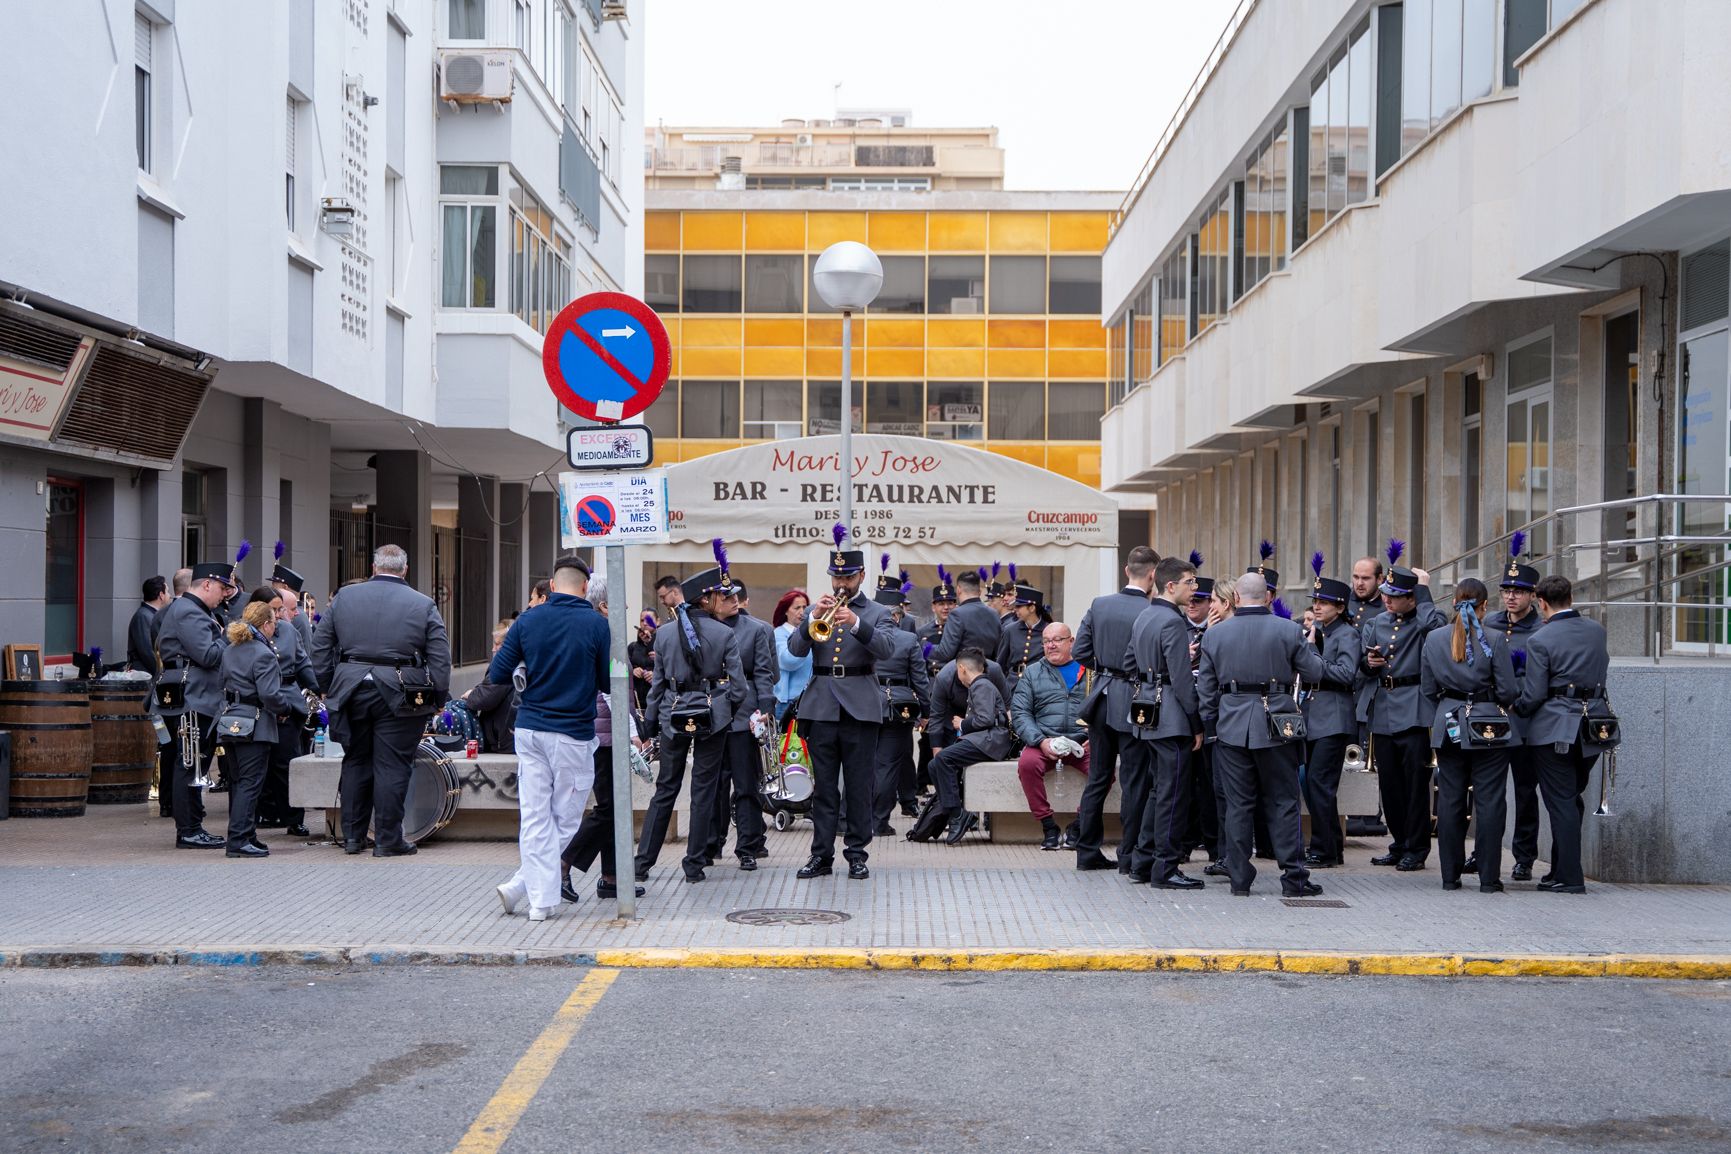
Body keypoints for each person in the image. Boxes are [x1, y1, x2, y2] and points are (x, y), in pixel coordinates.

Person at [489, 555, 610, 921]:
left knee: (535, 816)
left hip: (529, 729)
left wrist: (529, 663)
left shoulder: (528, 621)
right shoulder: (596, 624)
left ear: (553, 586)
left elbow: (498, 673)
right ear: (585, 587)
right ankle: (537, 898)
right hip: (572, 733)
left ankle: (524, 889)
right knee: (566, 819)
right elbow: (607, 682)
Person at [311, 544, 452, 858]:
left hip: (350, 688)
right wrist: (439, 696)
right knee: (393, 765)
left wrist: (327, 687)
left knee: (355, 761)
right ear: (404, 570)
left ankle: (353, 836)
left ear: (374, 568)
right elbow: (440, 658)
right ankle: (388, 839)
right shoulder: (423, 604)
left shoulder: (344, 598)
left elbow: (320, 647)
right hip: (401, 691)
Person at [1198, 573, 1328, 897]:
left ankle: (1239, 879)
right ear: (1269, 597)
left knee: (1238, 805)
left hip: (1231, 726)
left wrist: (1212, 723)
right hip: (1278, 722)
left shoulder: (1215, 635)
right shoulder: (1288, 630)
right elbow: (1314, 672)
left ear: (1236, 598)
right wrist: (1312, 647)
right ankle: (1294, 877)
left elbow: (1206, 690)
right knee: (1284, 801)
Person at [784, 526, 898, 880]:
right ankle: (821, 855)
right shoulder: (818, 609)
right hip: (821, 707)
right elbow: (794, 650)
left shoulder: (877, 612)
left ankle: (857, 853)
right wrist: (811, 620)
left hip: (860, 707)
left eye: (847, 577)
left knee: (859, 786)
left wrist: (857, 624)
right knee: (824, 788)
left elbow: (888, 649)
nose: (841, 584)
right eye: (837, 577)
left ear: (861, 576)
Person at [635, 554, 746, 884]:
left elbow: (657, 685)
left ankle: (642, 863)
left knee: (665, 789)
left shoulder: (664, 634)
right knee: (703, 791)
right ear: (707, 599)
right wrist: (726, 711)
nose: (724, 600)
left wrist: (650, 722)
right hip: (713, 715)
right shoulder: (724, 634)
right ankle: (694, 864)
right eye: (720, 595)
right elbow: (739, 687)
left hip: (673, 713)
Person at [1515, 575, 1613, 895]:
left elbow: (1533, 694)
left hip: (1554, 727)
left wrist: (1515, 708)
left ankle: (1570, 877)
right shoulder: (1597, 630)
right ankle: (1560, 869)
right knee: (1571, 799)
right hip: (1593, 727)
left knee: (1561, 803)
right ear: (1570, 597)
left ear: (1541, 602)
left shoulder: (1540, 639)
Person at [1422, 578, 1519, 892]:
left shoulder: (1434, 638)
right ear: (1485, 606)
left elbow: (1427, 689)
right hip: (1488, 723)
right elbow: (1507, 690)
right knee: (1490, 801)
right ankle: (1489, 878)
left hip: (1449, 721)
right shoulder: (1494, 638)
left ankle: (1450, 877)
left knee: (1450, 800)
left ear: (1453, 603)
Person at [1070, 545, 1159, 872]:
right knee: (1134, 782)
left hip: (1102, 698)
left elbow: (1079, 652)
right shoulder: (1152, 610)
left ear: (1126, 570)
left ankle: (1086, 851)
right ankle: (1128, 855)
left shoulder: (1100, 604)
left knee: (1098, 778)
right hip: (1134, 700)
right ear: (1153, 575)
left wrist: (1106, 668)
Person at [557, 577, 644, 903]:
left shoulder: (595, 632)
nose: (626, 606)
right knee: (609, 808)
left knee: (614, 806)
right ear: (605, 606)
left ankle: (611, 877)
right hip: (606, 734)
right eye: (621, 600)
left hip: (601, 731)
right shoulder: (605, 635)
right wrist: (631, 732)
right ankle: (562, 864)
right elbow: (611, 692)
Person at [1122, 555, 1205, 888]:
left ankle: (1143, 863)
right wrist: (1196, 723)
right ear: (1171, 585)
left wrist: (1153, 674)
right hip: (1171, 717)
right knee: (1173, 795)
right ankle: (1166, 868)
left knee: (1158, 792)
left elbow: (1129, 662)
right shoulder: (1172, 621)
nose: (1194, 588)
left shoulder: (1146, 614)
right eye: (1190, 582)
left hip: (1147, 710)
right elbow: (1183, 682)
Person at [1361, 557, 1447, 871]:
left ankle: (1417, 847)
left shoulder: (1426, 618)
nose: (1387, 600)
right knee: (1390, 784)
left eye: (1395, 596)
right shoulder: (1377, 623)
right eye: (1385, 593)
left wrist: (1423, 590)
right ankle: (1398, 843)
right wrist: (1369, 664)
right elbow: (1362, 663)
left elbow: (1435, 628)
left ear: (1412, 598)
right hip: (1384, 707)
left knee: (1415, 784)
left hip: (1414, 708)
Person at [155, 560, 239, 847]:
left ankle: (193, 825)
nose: (225, 595)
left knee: (195, 763)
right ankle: (189, 830)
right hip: (192, 696)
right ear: (206, 584)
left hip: (196, 694)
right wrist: (229, 635)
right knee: (190, 763)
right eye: (222, 588)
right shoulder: (189, 612)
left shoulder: (195, 610)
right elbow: (208, 655)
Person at [216, 600, 302, 857]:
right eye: (274, 622)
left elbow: (221, 683)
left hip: (230, 722)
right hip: (254, 724)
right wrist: (286, 708)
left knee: (238, 781)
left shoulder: (230, 649)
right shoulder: (263, 653)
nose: (275, 626)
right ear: (265, 624)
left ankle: (247, 834)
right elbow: (269, 694)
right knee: (251, 783)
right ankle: (238, 840)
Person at [1484, 540, 1545, 880]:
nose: (1511, 597)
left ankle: (1524, 857)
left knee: (1524, 791)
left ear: (1533, 595)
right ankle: (1483, 852)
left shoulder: (1540, 629)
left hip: (1523, 720)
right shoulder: (1491, 623)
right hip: (1490, 718)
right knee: (1487, 791)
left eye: (1518, 591)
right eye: (1506, 590)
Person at [707, 574, 775, 871]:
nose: (734, 600)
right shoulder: (704, 627)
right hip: (711, 714)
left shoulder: (755, 629)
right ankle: (711, 843)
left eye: (736, 595)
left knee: (746, 784)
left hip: (744, 714)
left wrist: (765, 707)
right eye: (727, 597)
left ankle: (747, 846)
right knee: (714, 785)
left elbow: (764, 672)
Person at [1301, 557, 1361, 868]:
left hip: (1333, 717)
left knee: (1319, 783)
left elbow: (1347, 674)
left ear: (1340, 607)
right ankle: (1332, 846)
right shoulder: (1322, 631)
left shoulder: (1346, 634)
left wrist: (1311, 653)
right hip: (1315, 716)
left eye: (1324, 602)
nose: (1318, 606)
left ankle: (1323, 849)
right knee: (1315, 784)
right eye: (1316, 601)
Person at [1011, 621, 1089, 850]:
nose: (1051, 645)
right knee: (1027, 765)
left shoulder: (1090, 671)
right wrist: (1040, 741)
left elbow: (1105, 709)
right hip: (1044, 740)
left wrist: (1095, 737)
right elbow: (1020, 712)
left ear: (1071, 642)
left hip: (1083, 742)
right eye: (1046, 641)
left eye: (1057, 640)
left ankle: (1079, 825)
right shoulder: (1032, 672)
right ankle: (1048, 826)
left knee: (1104, 770)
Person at [250, 587, 319, 837]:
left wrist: (318, 688)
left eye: (281, 609)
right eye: (275, 609)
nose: (280, 614)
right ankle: (264, 812)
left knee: (287, 762)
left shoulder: (288, 630)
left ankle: (293, 817)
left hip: (287, 699)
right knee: (258, 763)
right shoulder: (246, 633)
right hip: (258, 701)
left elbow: (302, 662)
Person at [927, 648, 1011, 844]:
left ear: (962, 668)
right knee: (934, 765)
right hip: (983, 739)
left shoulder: (981, 685)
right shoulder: (976, 683)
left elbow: (986, 718)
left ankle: (957, 815)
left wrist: (962, 724)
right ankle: (956, 811)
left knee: (943, 759)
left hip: (991, 741)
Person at [871, 575, 930, 837]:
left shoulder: (864, 635)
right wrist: (925, 712)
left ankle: (857, 818)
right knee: (888, 766)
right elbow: (920, 679)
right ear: (896, 616)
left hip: (865, 703)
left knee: (864, 763)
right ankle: (879, 821)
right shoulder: (907, 639)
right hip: (899, 706)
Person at [930, 567, 1000, 666]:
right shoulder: (994, 614)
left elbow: (945, 653)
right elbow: (998, 650)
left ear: (958, 590)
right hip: (988, 669)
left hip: (964, 671)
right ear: (979, 591)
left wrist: (926, 647)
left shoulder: (957, 614)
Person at [996, 583, 1046, 696]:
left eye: (1019, 607)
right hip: (1013, 686)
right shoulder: (1010, 630)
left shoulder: (1048, 630)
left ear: (1032, 608)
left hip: (1039, 686)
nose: (1015, 610)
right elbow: (1001, 663)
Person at [771, 589, 812, 728]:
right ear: (785, 611)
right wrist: (805, 641)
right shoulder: (778, 634)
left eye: (805, 607)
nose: (802, 612)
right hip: (788, 702)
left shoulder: (811, 632)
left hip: (810, 699)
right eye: (797, 608)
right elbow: (788, 662)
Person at [270, 556, 316, 654]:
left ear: (285, 587)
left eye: (274, 585)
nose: (272, 589)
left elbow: (305, 653)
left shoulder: (298, 616)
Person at [128, 576, 170, 675]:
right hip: (145, 674)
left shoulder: (149, 615)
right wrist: (162, 674)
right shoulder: (143, 616)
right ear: (161, 595)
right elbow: (148, 652)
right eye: (167, 592)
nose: (170, 595)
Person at [628, 612, 657, 711]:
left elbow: (674, 670)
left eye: (648, 620)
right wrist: (632, 671)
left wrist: (657, 675)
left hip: (658, 701)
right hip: (636, 702)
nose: (644, 623)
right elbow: (620, 669)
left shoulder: (664, 646)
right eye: (642, 620)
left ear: (657, 621)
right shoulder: (632, 647)